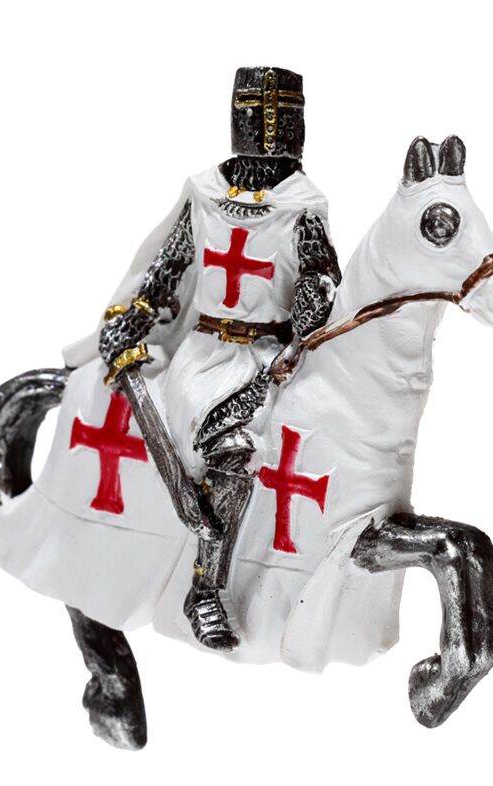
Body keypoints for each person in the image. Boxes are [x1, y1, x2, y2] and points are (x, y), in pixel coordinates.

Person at [96, 66, 340, 651]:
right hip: (206, 355)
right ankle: (204, 589)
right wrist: (138, 313)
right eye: (260, 115)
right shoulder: (205, 193)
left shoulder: (303, 205)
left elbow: (320, 273)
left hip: (270, 354)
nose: (269, 131)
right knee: (234, 449)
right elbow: (172, 262)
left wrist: (312, 305)